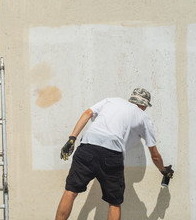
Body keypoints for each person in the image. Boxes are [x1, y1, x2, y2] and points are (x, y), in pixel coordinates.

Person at [55, 88, 174, 220]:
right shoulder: (144, 118)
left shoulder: (111, 101)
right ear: (144, 105)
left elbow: (88, 113)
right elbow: (155, 156)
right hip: (111, 155)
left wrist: (72, 139)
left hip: (86, 148)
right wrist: (164, 171)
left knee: (71, 191)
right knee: (114, 202)